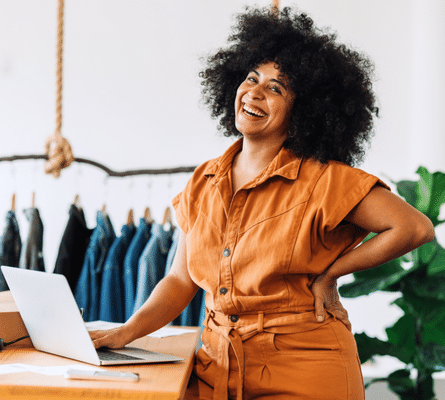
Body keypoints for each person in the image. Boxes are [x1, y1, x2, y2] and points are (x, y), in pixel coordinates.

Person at [89, 6, 435, 399]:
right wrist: (125, 331)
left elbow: (414, 228)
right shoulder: (204, 180)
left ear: (304, 111)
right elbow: (179, 280)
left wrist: (332, 272)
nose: (254, 92)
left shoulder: (325, 179)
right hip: (218, 365)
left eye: (276, 88)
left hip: (306, 370)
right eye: (251, 78)